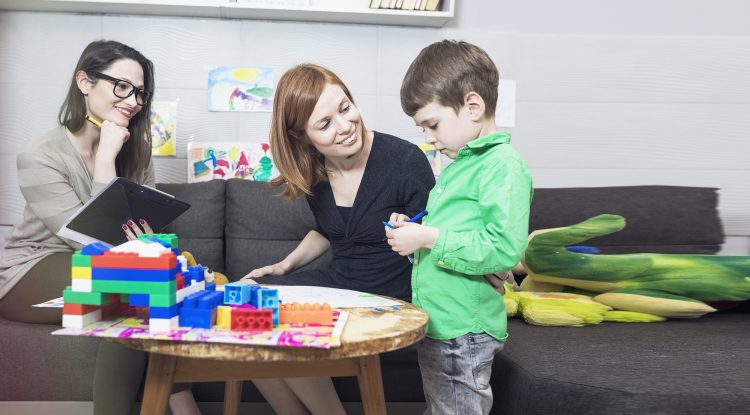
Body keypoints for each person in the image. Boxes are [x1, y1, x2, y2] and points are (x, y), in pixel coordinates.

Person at [0, 40, 199, 415]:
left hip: (106, 263)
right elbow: (92, 242)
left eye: (140, 93)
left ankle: (180, 401)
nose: (133, 101)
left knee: (176, 279)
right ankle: (179, 404)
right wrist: (106, 156)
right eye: (121, 86)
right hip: (32, 268)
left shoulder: (137, 146)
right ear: (85, 81)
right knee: (130, 290)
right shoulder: (39, 155)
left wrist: (150, 245)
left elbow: (141, 233)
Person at [241, 63, 435, 414]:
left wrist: (412, 232)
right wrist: (284, 266)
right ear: (301, 136)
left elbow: (435, 234)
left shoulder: (406, 160)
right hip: (340, 281)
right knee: (246, 303)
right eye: (325, 124)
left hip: (391, 288)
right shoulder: (315, 169)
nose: (346, 127)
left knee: (289, 331)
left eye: (345, 108)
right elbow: (332, 230)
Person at [386, 39, 533, 414]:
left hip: (463, 330)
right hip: (442, 323)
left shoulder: (503, 165)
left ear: (472, 106)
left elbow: (503, 248)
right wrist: (414, 233)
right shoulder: (460, 166)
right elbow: (454, 239)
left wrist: (428, 237)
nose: (429, 138)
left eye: (432, 125)